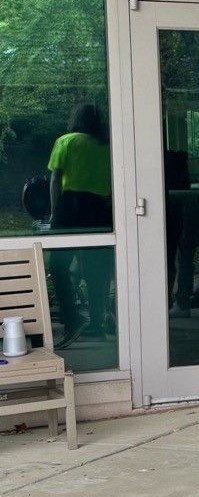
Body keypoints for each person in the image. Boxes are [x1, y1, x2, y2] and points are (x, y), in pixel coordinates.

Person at [47, 104, 114, 348]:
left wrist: (54, 212)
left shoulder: (65, 141)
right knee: (96, 267)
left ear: (75, 118)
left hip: (71, 204)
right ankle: (97, 323)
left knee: (58, 263)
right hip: (98, 208)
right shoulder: (107, 144)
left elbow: (55, 179)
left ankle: (71, 318)